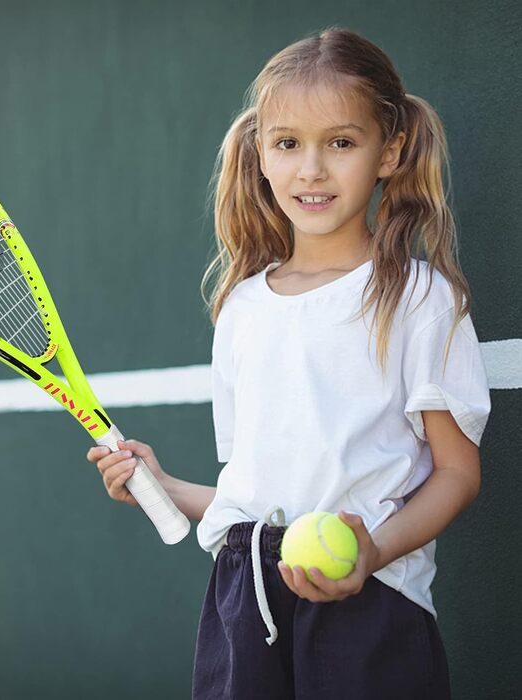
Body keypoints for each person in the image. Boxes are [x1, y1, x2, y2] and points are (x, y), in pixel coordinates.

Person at [86, 26, 491, 700]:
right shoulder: (242, 307)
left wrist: (372, 554)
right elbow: (254, 497)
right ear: (262, 156)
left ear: (389, 152)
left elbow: (457, 473)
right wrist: (163, 484)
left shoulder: (421, 298)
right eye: (288, 144)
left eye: (340, 142)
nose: (311, 169)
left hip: (372, 604)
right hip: (242, 602)